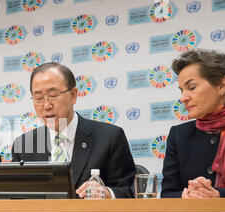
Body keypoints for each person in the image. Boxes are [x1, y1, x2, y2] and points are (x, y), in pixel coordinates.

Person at [11, 62, 136, 198]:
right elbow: (15, 200)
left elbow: (130, 191)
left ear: (73, 95)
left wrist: (107, 194)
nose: (46, 105)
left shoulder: (109, 138)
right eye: (39, 98)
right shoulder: (23, 145)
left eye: (53, 95)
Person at [161, 48, 225, 198]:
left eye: (192, 87)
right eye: (181, 90)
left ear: (222, 85)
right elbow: (168, 194)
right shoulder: (179, 135)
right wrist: (187, 196)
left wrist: (219, 195)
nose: (183, 98)